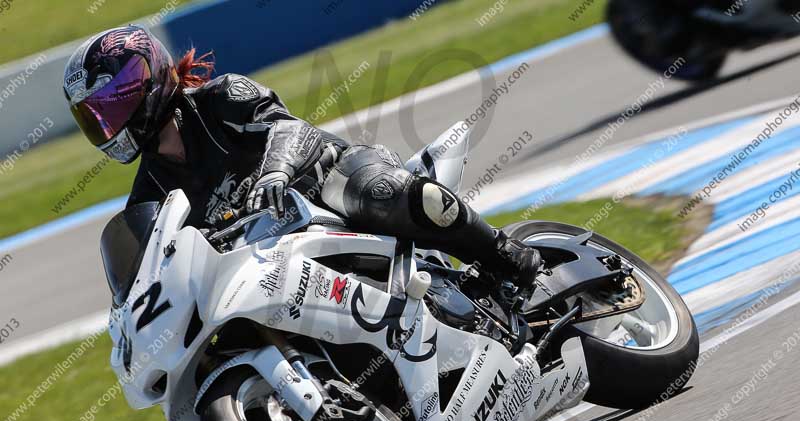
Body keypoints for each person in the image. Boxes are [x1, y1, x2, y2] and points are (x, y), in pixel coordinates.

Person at [64, 26, 539, 286]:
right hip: (278, 261)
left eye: (114, 102)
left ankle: (509, 256)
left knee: (381, 192)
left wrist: (275, 172)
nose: (109, 123)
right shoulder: (149, 196)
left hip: (331, 185)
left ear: (147, 79)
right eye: (96, 116)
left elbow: (289, 127)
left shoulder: (219, 97)